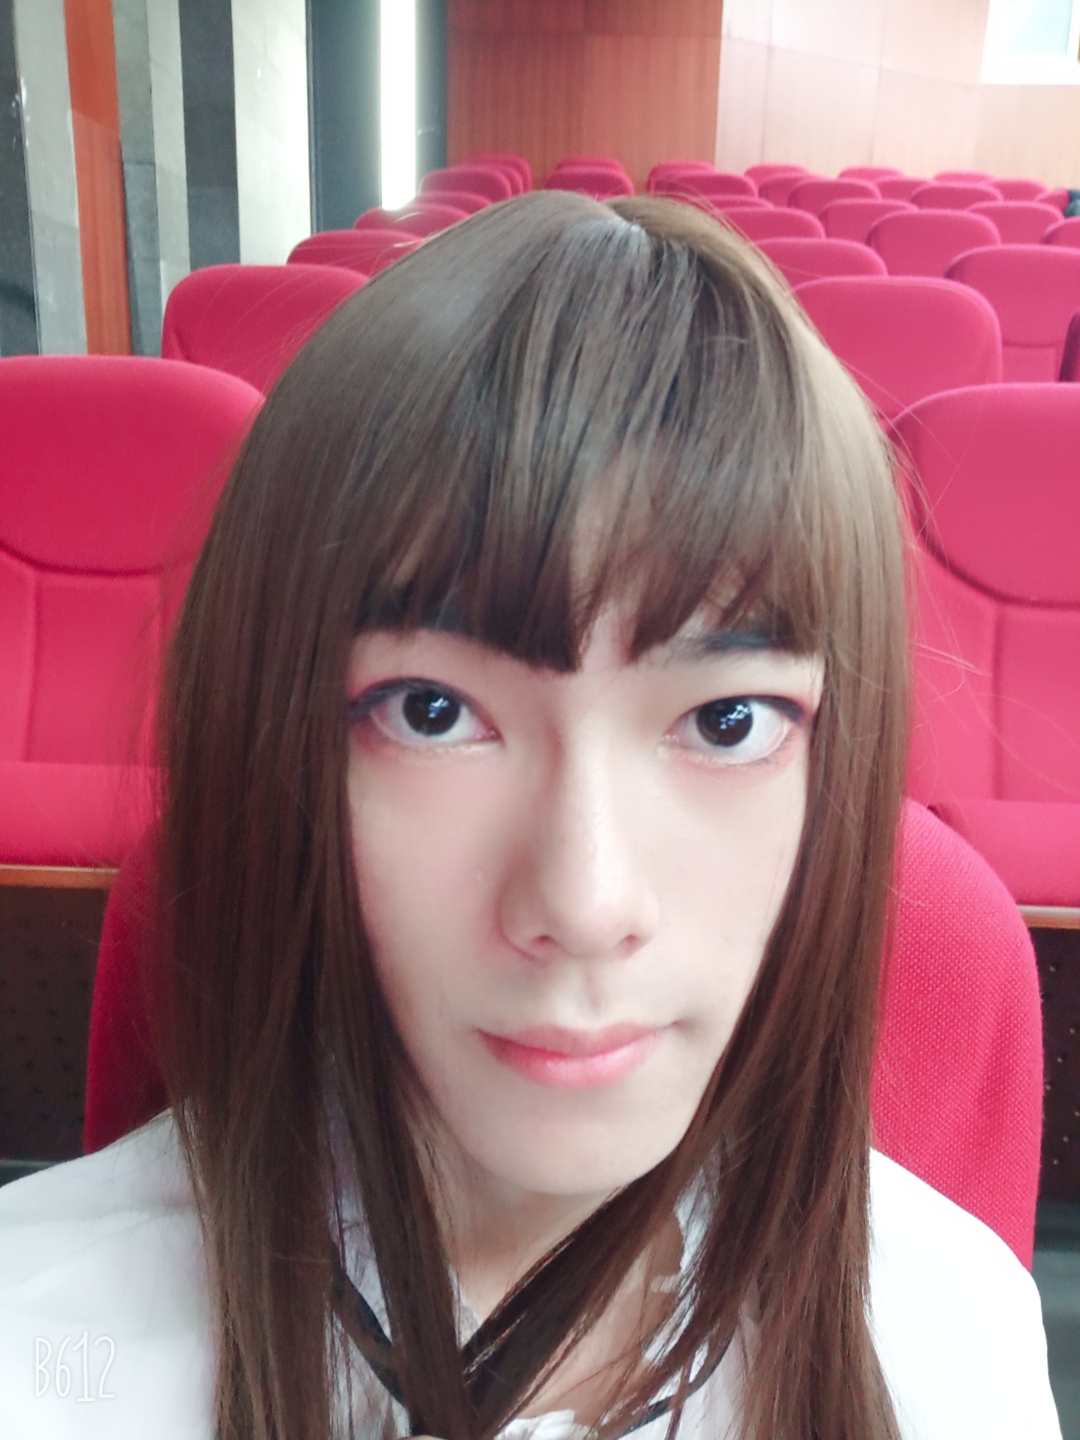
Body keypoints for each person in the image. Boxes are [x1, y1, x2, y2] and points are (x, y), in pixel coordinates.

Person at [0, 192, 1060, 1440]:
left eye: (729, 722)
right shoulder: (46, 1348)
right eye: (432, 712)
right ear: (280, 757)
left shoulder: (949, 1348)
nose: (584, 903)